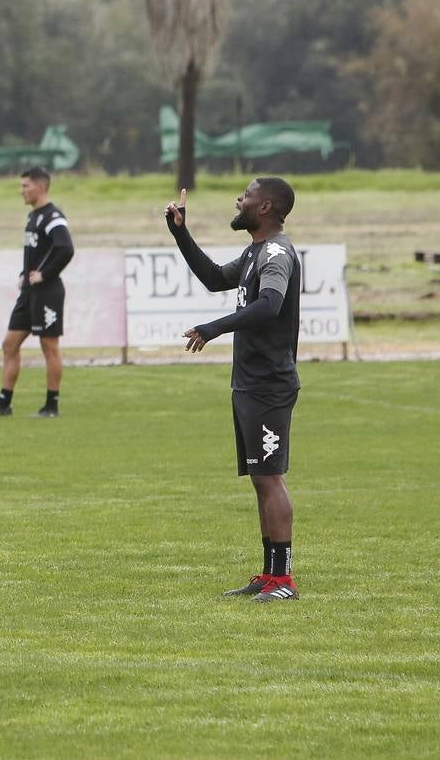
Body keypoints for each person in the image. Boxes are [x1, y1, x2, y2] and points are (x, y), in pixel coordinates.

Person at [164, 178, 302, 603]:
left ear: (266, 207)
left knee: (271, 478)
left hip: (269, 383)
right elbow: (211, 278)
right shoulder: (253, 252)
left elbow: (270, 304)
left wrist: (214, 328)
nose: (238, 200)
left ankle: (284, 580)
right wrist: (180, 233)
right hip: (249, 383)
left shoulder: (277, 252)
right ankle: (268, 574)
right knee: (261, 480)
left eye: (246, 195)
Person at [0, 167, 74, 419]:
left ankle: (51, 406)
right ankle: (4, 404)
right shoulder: (32, 217)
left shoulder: (52, 216)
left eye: (25, 185)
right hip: (29, 293)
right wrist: (25, 275)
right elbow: (39, 252)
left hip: (48, 292)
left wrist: (44, 273)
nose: (21, 190)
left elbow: (65, 248)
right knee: (9, 344)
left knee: (49, 346)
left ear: (41, 187)